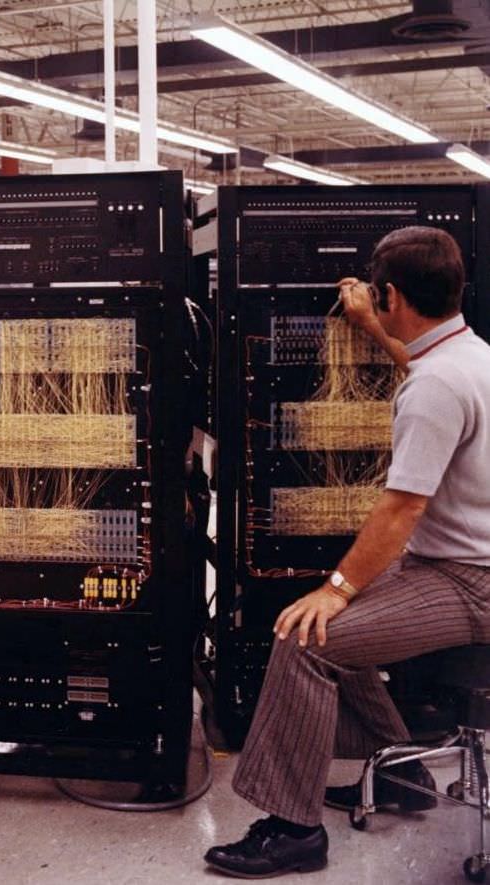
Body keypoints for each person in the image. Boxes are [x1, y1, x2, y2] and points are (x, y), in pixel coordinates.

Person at [206, 226, 490, 877]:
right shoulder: (470, 356)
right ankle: (399, 774)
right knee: (333, 609)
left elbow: (400, 509)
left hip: (468, 580)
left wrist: (336, 585)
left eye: (375, 293)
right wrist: (369, 327)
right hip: (456, 564)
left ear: (391, 292)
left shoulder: (436, 386)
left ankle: (293, 827)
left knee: (308, 635)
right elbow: (420, 368)